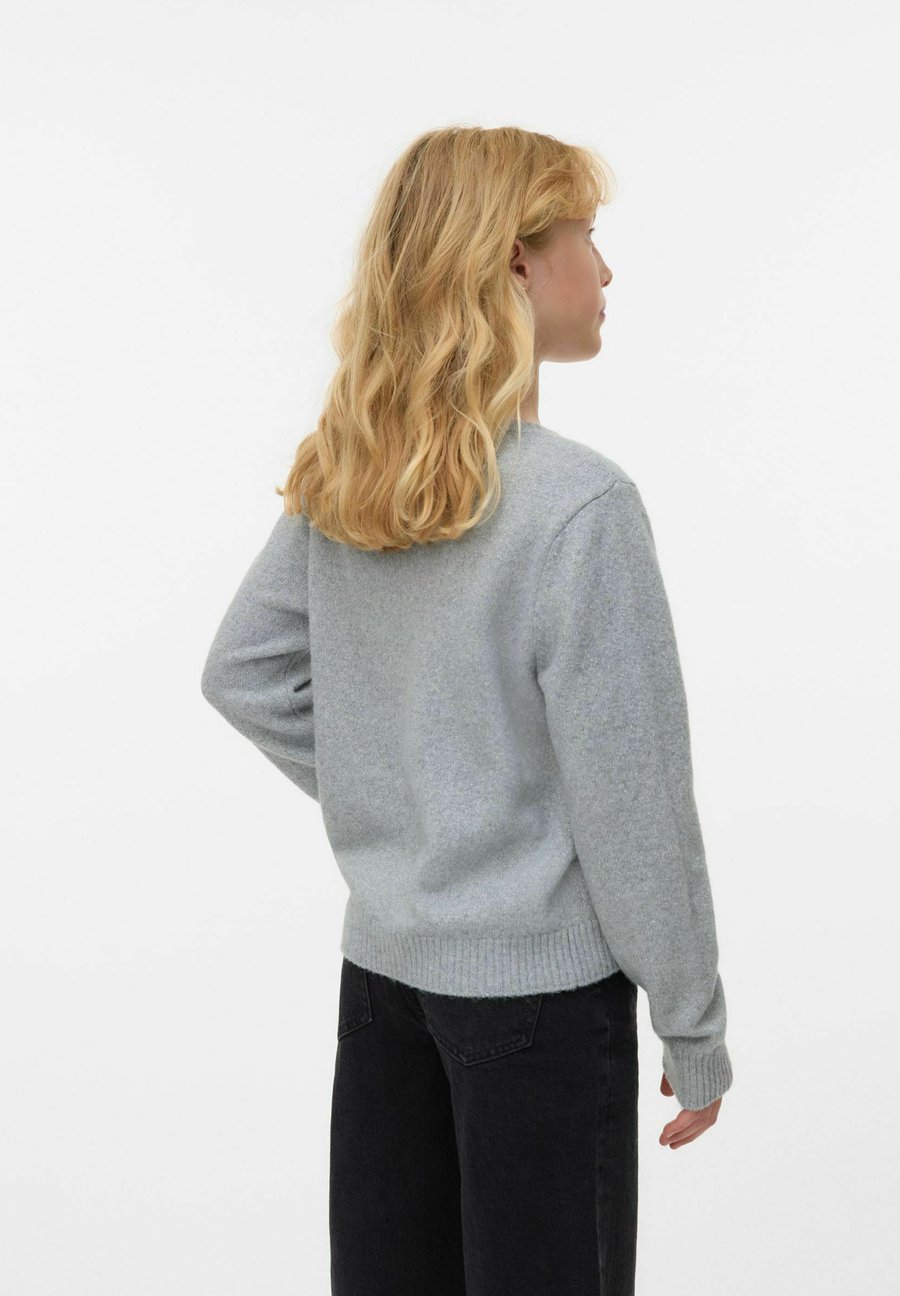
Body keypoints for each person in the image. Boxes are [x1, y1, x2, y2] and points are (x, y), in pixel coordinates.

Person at [200, 124, 733, 1296]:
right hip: (541, 1008)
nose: (606, 267)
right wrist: (693, 1024)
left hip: (383, 985)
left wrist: (412, 794)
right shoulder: (580, 507)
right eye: (585, 235)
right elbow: (634, 802)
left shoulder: (352, 472)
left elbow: (245, 669)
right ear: (516, 264)